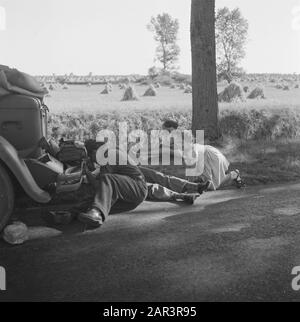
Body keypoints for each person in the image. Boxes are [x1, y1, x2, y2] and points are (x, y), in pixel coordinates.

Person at [162, 119, 245, 191]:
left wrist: (189, 182)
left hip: (210, 156)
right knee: (209, 184)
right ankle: (233, 175)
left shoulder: (185, 142)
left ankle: (234, 174)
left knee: (212, 185)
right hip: (206, 156)